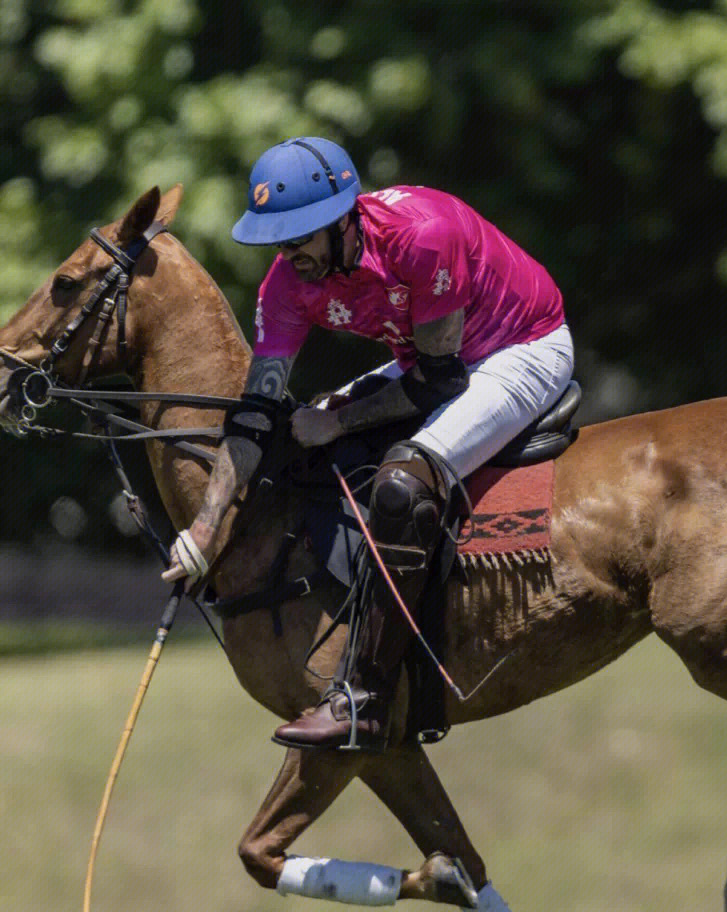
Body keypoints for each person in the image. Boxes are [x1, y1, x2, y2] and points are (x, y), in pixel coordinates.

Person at [163, 136, 574, 750]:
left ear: (341, 220)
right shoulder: (286, 285)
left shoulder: (422, 235)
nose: (288, 252)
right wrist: (204, 527)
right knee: (296, 438)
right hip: (431, 359)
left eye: (299, 237)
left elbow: (441, 381)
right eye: (278, 239)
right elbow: (254, 414)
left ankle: (367, 694)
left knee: (402, 484)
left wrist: (340, 420)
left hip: (522, 348)